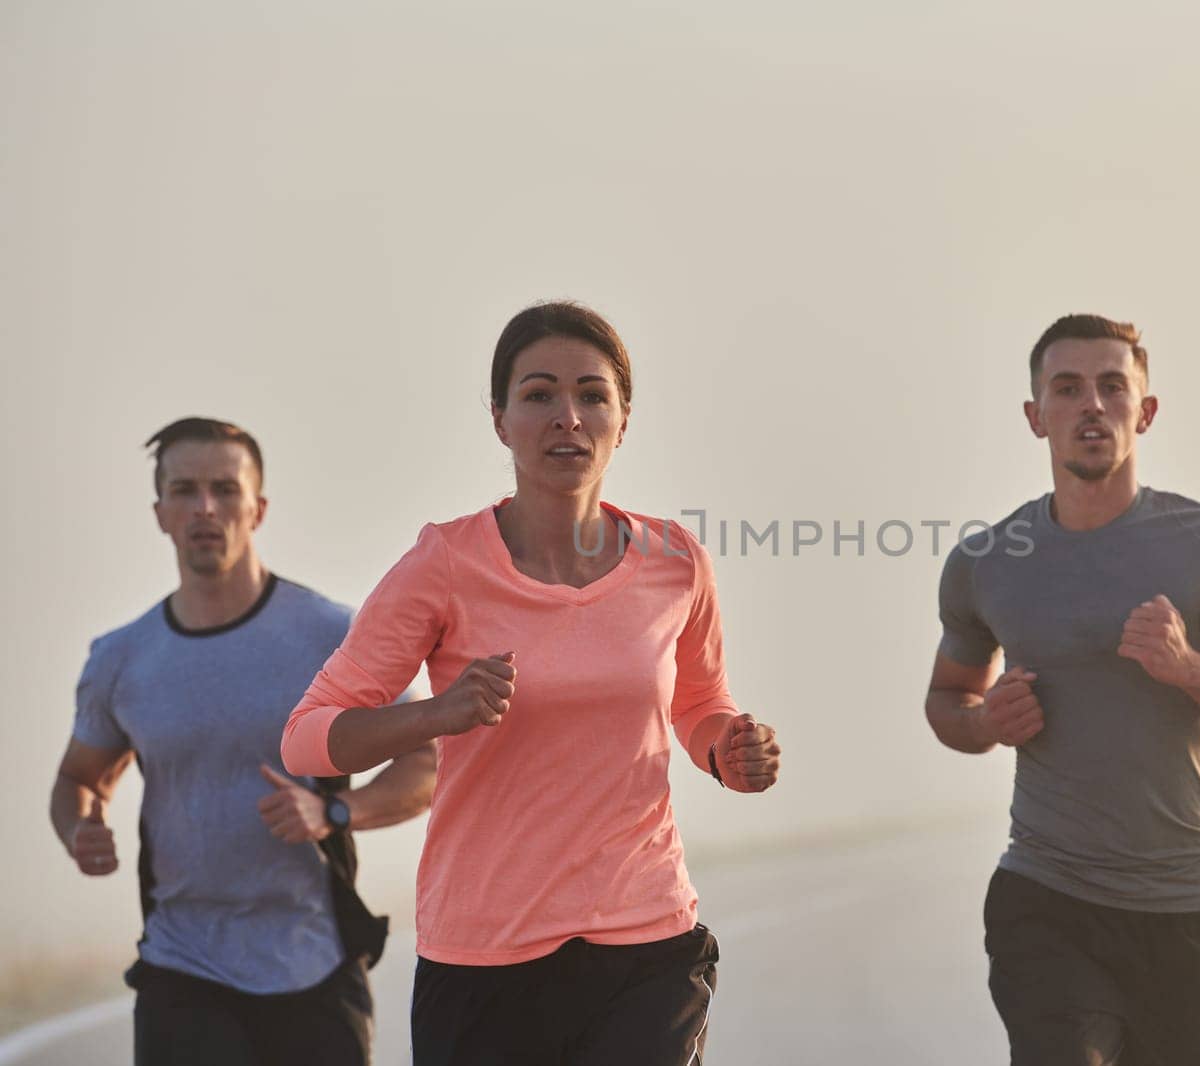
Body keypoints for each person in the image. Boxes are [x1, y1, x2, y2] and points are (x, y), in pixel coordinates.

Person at [281, 300, 782, 1066]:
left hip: (646, 939)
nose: (567, 417)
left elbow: (700, 705)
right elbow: (308, 740)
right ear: (500, 420)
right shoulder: (442, 566)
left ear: (623, 419)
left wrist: (730, 749)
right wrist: (438, 716)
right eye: (540, 394)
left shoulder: (675, 560)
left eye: (591, 395)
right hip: (486, 955)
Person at [924, 315, 1200, 1066]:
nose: (1092, 407)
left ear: (1146, 411)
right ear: (1035, 416)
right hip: (1044, 896)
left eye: (1113, 387)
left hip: (1184, 909)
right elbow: (948, 699)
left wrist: (1191, 669)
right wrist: (985, 726)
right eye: (1067, 389)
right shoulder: (987, 561)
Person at [51, 416, 437, 1066]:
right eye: (186, 490)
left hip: (311, 960)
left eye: (226, 490)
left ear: (257, 508)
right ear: (161, 512)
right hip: (182, 964)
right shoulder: (121, 659)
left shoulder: (330, 635)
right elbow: (79, 782)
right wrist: (79, 829)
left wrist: (336, 812)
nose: (207, 508)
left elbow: (425, 755)